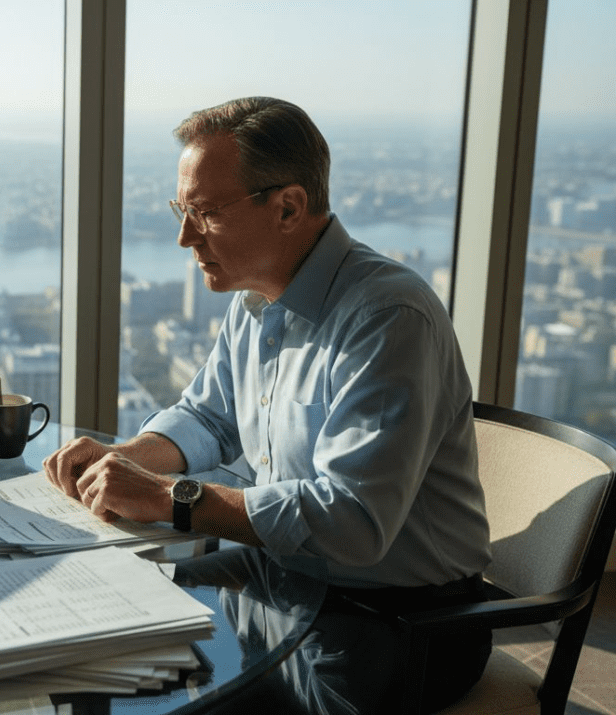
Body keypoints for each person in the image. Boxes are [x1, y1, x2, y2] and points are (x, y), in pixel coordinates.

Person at [43, 97, 492, 713]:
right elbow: (208, 418)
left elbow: (354, 522)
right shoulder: (256, 300)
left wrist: (172, 499)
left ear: (287, 207)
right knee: (90, 622)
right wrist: (128, 459)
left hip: (397, 621)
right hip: (277, 580)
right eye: (182, 210)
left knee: (155, 700)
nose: (184, 236)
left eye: (205, 213)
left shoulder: (388, 318)